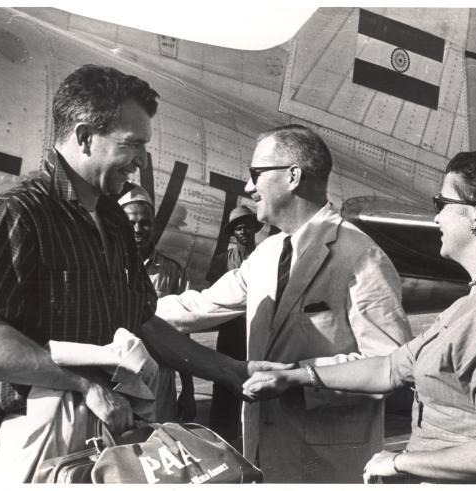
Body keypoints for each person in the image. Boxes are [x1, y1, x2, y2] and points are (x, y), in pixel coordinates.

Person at [244, 146, 476, 484]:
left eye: (442, 205)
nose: (436, 218)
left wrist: (400, 462)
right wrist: (296, 375)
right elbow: (391, 367)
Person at [151, 124, 412, 483]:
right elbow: (201, 306)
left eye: (256, 173)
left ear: (292, 176)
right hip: (265, 456)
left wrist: (297, 378)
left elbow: (391, 363)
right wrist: (127, 312)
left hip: (328, 467)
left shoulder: (360, 255)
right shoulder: (268, 253)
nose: (248, 187)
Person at [0, 64, 160, 482]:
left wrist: (231, 369)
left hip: (114, 424)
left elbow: (143, 321)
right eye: (132, 145)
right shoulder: (16, 215)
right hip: (46, 426)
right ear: (83, 137)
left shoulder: (114, 220)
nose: (140, 162)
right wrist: (86, 385)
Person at [118, 185, 196, 423]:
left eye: (145, 223)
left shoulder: (173, 269)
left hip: (161, 377)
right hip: (117, 375)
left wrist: (188, 391)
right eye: (131, 222)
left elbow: (184, 335)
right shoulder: (103, 265)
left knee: (160, 445)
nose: (138, 229)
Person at [206, 205, 262, 446]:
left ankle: (255, 435)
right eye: (238, 228)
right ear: (233, 233)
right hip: (230, 332)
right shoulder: (222, 261)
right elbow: (209, 295)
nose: (243, 232)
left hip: (257, 329)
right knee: (225, 379)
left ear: (254, 229)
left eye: (247, 227)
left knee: (257, 381)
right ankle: (222, 437)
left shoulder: (266, 256)